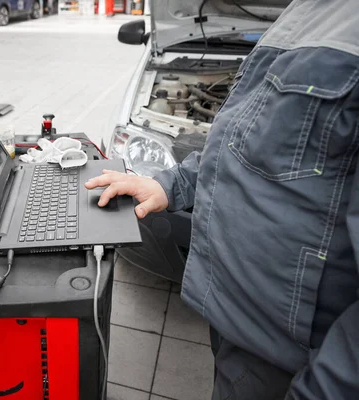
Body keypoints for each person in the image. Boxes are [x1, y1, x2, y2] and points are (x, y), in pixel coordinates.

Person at [86, 0, 359, 398]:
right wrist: (171, 183)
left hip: (293, 359)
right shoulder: (306, 11)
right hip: (235, 317)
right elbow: (253, 138)